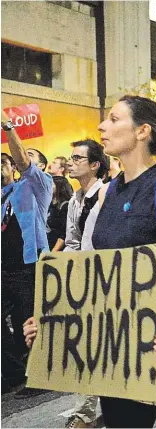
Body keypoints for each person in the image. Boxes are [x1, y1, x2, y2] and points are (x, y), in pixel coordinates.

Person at [26, 95, 156, 427]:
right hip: (110, 338)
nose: (102, 126)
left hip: (149, 339)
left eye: (114, 119)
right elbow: (94, 271)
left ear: (142, 131)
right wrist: (49, 320)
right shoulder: (107, 192)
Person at [1, 110, 53, 398]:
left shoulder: (36, 186)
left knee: (29, 321)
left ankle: (39, 375)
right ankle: (12, 373)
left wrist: (8, 126)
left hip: (29, 266)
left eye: (3, 161)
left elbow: (22, 160)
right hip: (3, 268)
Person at [61, 139, 108, 429]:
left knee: (100, 345)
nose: (71, 161)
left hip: (106, 280)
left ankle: (86, 409)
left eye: (78, 158)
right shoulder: (74, 201)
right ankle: (86, 408)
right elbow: (72, 242)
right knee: (87, 345)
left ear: (94, 165)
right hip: (82, 281)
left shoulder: (107, 195)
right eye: (71, 157)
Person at [47, 175, 73, 251]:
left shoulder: (66, 206)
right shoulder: (50, 205)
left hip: (57, 250)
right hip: (47, 246)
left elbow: (64, 233)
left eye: (51, 184)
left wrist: (53, 251)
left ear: (59, 186)